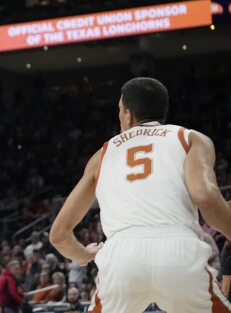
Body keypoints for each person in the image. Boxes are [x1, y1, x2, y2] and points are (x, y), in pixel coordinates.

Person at [49, 77, 231, 312]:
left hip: (121, 257)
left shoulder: (102, 155)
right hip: (178, 252)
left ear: (127, 114)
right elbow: (205, 196)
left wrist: (83, 255)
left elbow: (58, 235)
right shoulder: (189, 138)